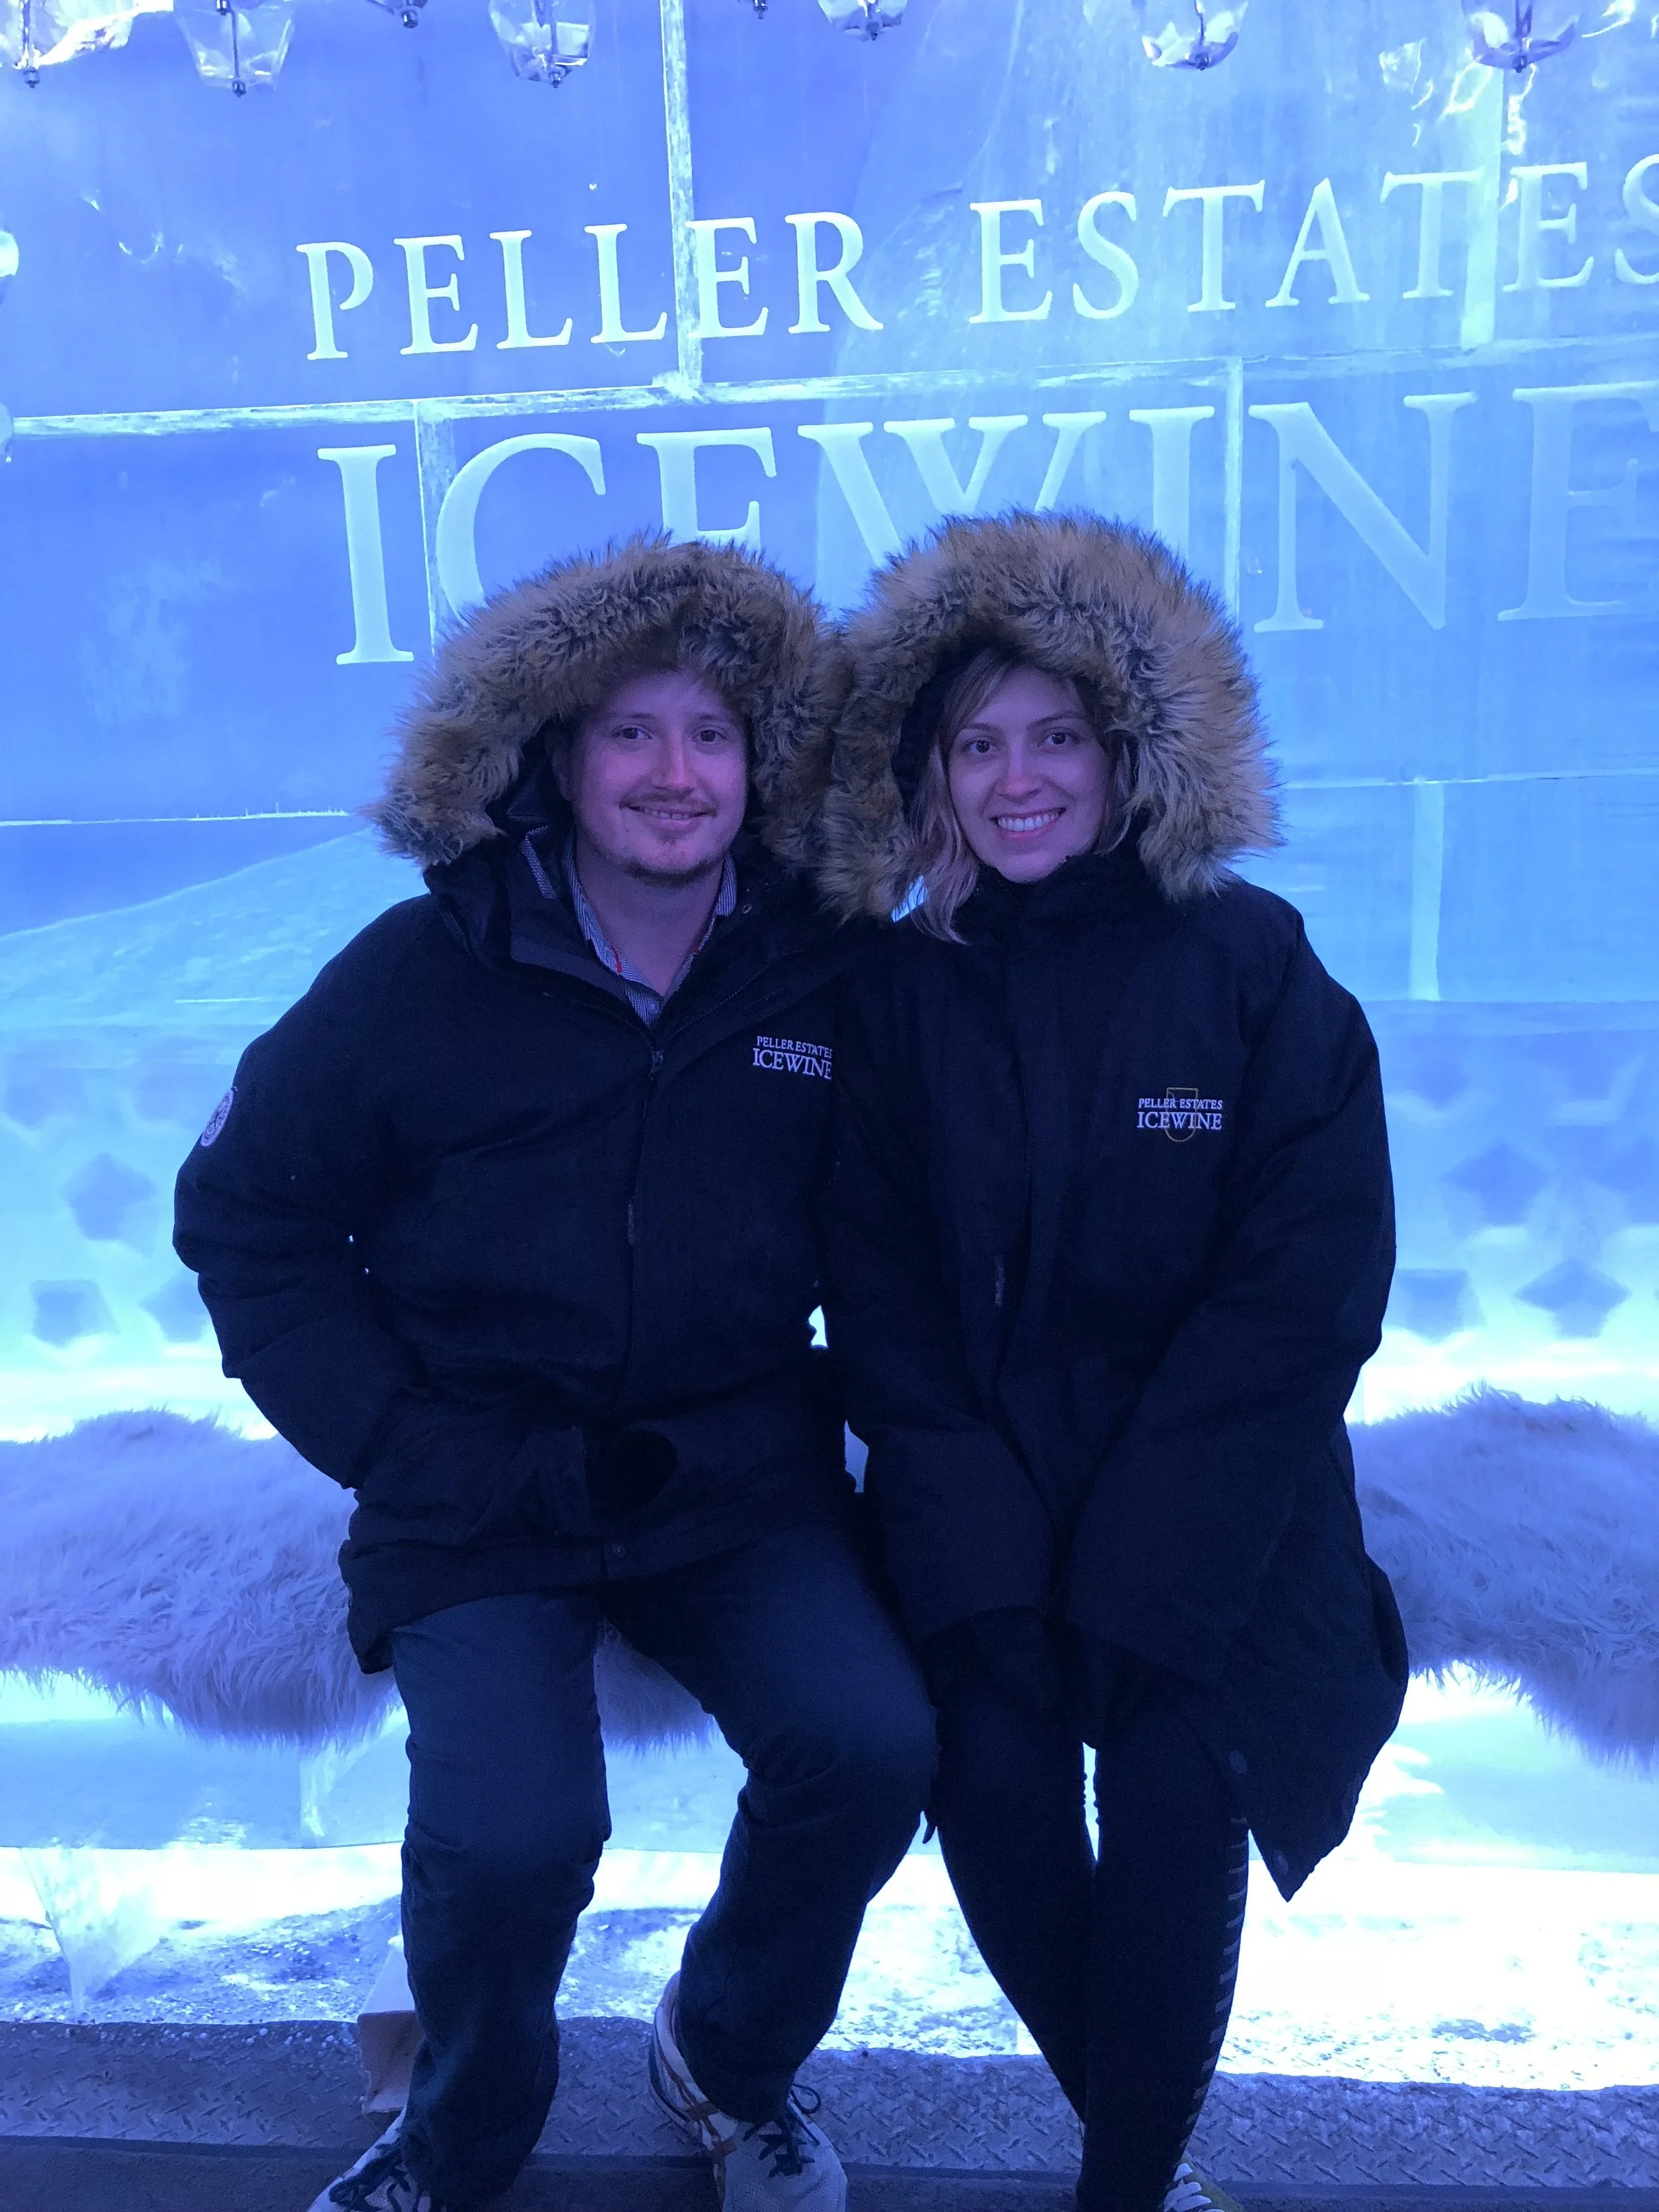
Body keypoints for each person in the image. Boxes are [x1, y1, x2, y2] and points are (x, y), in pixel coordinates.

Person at [174, 538, 936, 2212]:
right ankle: (455, 2138)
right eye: (631, 735)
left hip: (732, 1474)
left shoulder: (827, 964)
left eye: (714, 736)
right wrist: (390, 1437)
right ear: (554, 758)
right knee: (511, 1844)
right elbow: (247, 1214)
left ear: (764, 764)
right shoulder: (416, 972)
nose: (677, 774)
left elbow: (940, 1180)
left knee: (871, 1744)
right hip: (481, 1478)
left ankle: (726, 2062)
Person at [816, 512, 1409, 2212]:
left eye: (1055, 738)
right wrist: (982, 1538)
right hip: (978, 1476)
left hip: (1215, 1487)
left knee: (1175, 1770)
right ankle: (1141, 2172)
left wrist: (1152, 1549)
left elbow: (1308, 1279)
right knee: (988, 1770)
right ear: (929, 774)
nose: (1017, 781)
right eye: (977, 745)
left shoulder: (1249, 963)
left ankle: (1117, 2189)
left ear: (1129, 753)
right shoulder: (891, 988)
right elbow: (880, 1296)